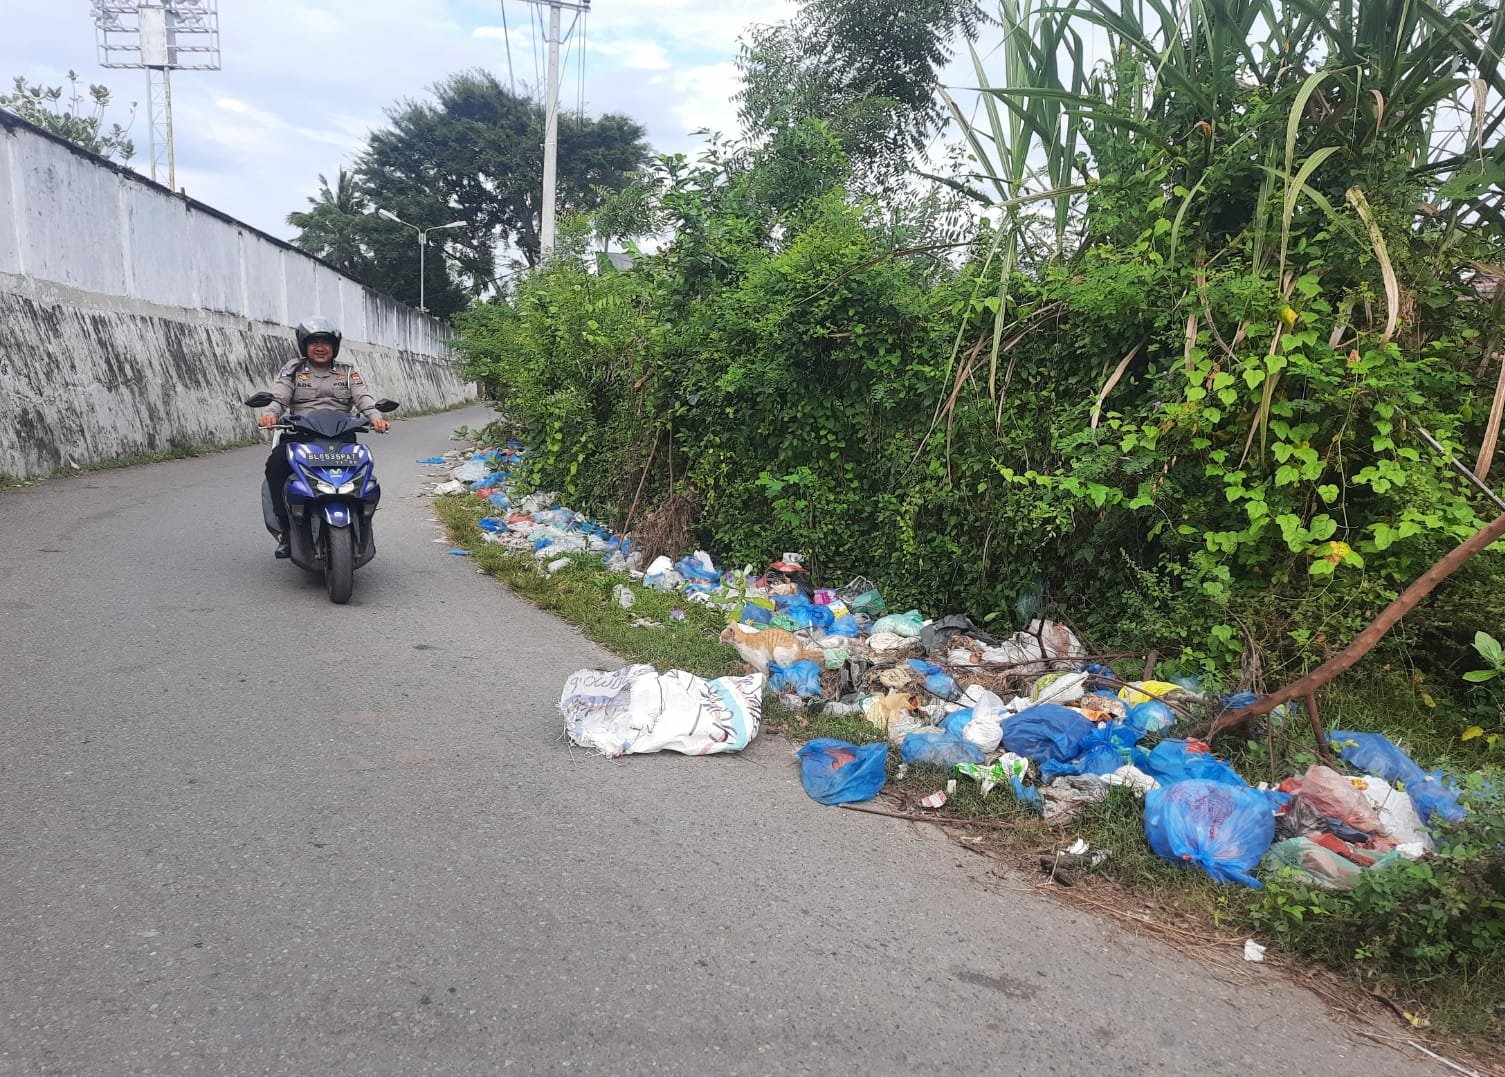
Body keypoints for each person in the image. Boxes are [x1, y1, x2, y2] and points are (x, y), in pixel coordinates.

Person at [257, 317, 391, 557]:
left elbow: (363, 399)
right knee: (275, 465)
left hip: (341, 436)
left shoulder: (348, 372)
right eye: (314, 342)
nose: (320, 347)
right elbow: (279, 397)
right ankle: (286, 530)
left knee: (364, 474)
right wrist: (270, 414)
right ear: (304, 346)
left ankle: (361, 521)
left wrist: (376, 417)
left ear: (334, 346)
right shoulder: (294, 369)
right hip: (301, 436)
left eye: (326, 342)